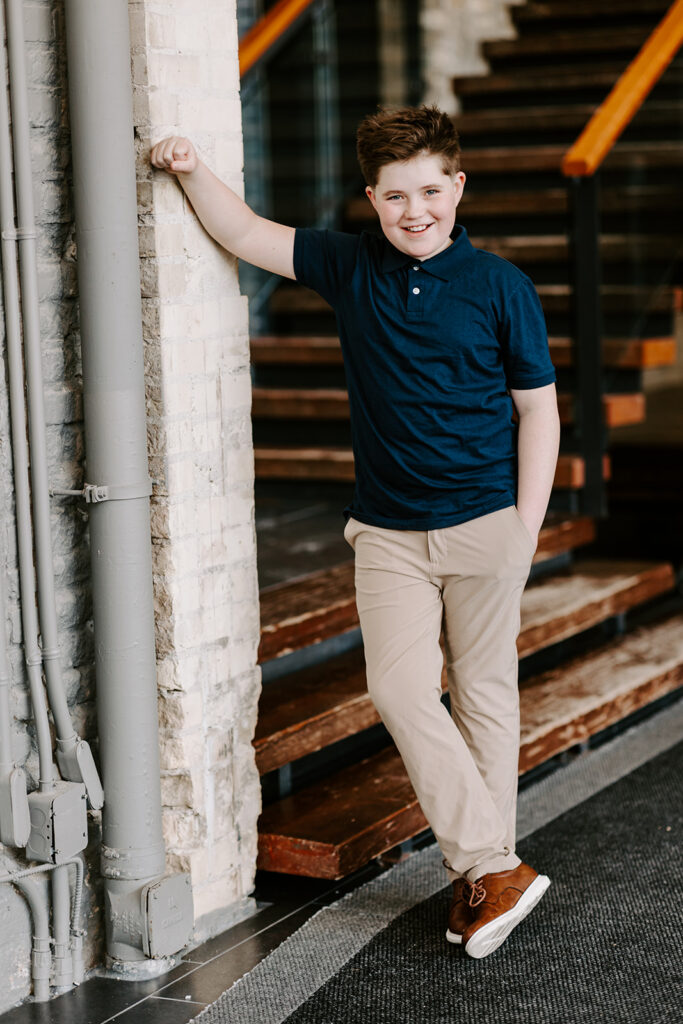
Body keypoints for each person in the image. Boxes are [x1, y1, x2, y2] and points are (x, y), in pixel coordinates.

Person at [150, 104, 560, 959]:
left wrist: (524, 529)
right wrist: (189, 168)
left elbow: (538, 412)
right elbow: (244, 232)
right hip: (386, 535)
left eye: (430, 192)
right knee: (401, 691)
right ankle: (495, 866)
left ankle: (479, 880)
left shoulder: (501, 287)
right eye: (395, 196)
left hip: (486, 523)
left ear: (457, 188)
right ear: (370, 199)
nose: (415, 211)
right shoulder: (349, 266)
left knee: (484, 697)